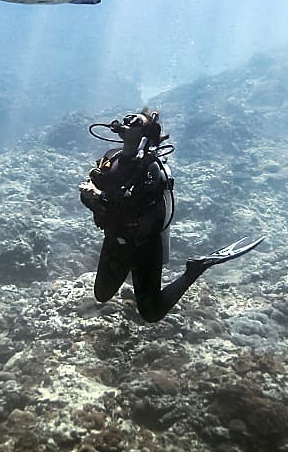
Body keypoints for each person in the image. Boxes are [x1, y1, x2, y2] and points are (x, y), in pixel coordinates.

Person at [79, 109, 264, 322]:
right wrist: (90, 197)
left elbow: (134, 204)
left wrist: (100, 196)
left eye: (136, 121)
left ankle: (195, 269)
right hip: (115, 240)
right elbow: (93, 191)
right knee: (101, 295)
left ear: (144, 134)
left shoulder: (151, 169)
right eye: (128, 118)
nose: (127, 122)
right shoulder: (111, 157)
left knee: (151, 313)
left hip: (144, 247)